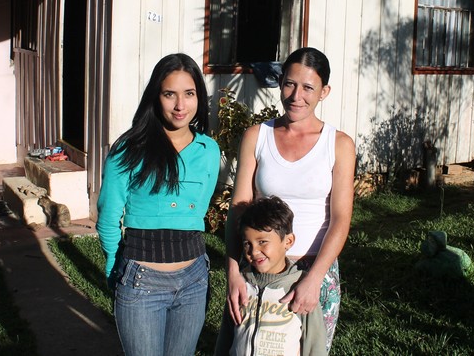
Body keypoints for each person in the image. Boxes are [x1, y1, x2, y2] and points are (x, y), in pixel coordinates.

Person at [224, 47, 356, 353]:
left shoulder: (338, 144)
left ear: (324, 92)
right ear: (280, 82)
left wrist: (313, 279)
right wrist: (233, 271)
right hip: (260, 265)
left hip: (315, 269)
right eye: (289, 84)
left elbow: (340, 219)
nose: (296, 96)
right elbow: (239, 208)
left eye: (308, 87)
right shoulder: (257, 136)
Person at [96, 53, 221, 356]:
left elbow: (197, 215)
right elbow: (109, 217)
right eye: (170, 94)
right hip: (142, 282)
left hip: (194, 279)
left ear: (199, 98)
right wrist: (114, 267)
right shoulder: (129, 149)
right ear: (156, 96)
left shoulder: (208, 150)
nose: (180, 105)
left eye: (189, 94)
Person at [215, 195, 327, 356]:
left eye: (262, 242)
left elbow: (315, 345)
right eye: (247, 243)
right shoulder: (241, 285)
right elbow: (225, 337)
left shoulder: (300, 288)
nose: (253, 251)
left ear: (288, 241)